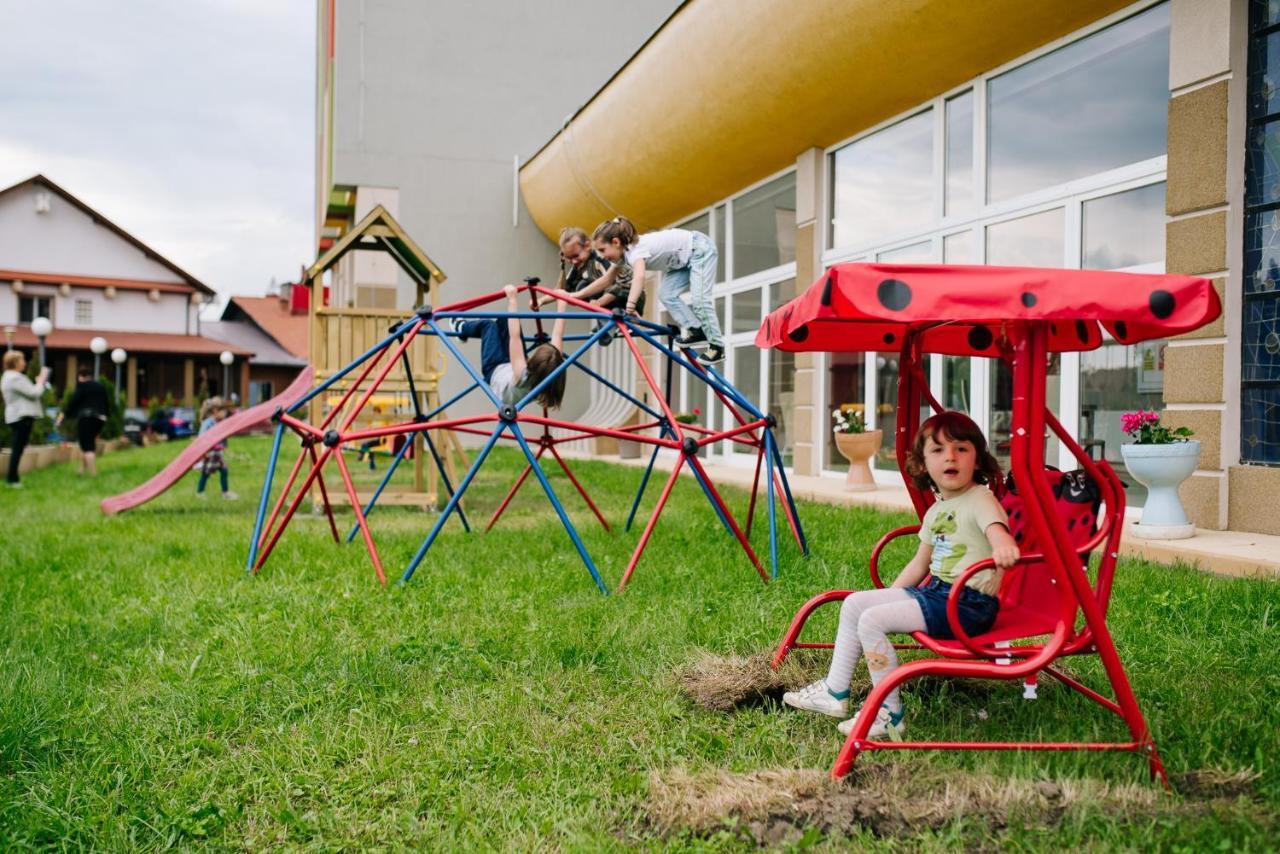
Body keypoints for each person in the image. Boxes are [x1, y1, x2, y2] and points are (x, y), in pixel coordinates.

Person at [781, 411, 1019, 740]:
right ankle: (835, 693)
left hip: (968, 605)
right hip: (939, 594)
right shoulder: (937, 510)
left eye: (961, 449)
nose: (950, 456)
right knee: (855, 605)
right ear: (923, 465)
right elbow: (920, 565)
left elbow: (998, 533)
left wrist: (1003, 548)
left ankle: (889, 714)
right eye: (938, 450)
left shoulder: (980, 499)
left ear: (978, 460)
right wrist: (889, 599)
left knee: (872, 622)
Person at [590, 216, 723, 365]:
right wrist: (573, 295)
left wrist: (630, 306)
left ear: (616, 242)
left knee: (700, 301)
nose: (602, 256)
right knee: (666, 294)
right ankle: (697, 330)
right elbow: (606, 280)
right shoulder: (624, 255)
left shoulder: (635, 251)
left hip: (699, 249)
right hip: (683, 261)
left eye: (602, 250)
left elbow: (639, 277)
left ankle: (717, 347)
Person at [446, 284, 568, 409]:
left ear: (534, 364)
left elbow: (515, 337)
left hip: (495, 370)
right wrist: (562, 303)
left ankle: (460, 327)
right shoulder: (554, 370)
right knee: (505, 319)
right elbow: (558, 335)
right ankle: (489, 336)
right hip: (511, 369)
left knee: (488, 326)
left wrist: (512, 299)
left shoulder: (523, 374)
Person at [2, 350, 50, 487]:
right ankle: (12, 479)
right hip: (21, 416)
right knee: (17, 448)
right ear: (15, 362)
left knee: (18, 448)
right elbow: (34, 393)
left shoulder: (9, 377)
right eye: (22, 360)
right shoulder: (15, 378)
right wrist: (40, 382)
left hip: (16, 416)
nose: (25, 362)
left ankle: (13, 477)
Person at [55, 366, 109, 476]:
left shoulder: (82, 386)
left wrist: (61, 418)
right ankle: (81, 470)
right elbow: (106, 403)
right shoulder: (100, 386)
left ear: (80, 376)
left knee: (87, 446)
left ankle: (94, 473)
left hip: (86, 418)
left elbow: (72, 403)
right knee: (87, 442)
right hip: (100, 419)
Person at [195, 397, 237, 500]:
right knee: (206, 473)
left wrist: (224, 445)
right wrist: (203, 452)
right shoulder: (208, 423)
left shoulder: (220, 422)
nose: (225, 413)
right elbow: (202, 437)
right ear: (215, 411)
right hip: (210, 453)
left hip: (217, 453)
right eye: (223, 411)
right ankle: (200, 492)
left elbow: (223, 436)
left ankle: (225, 492)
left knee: (224, 471)